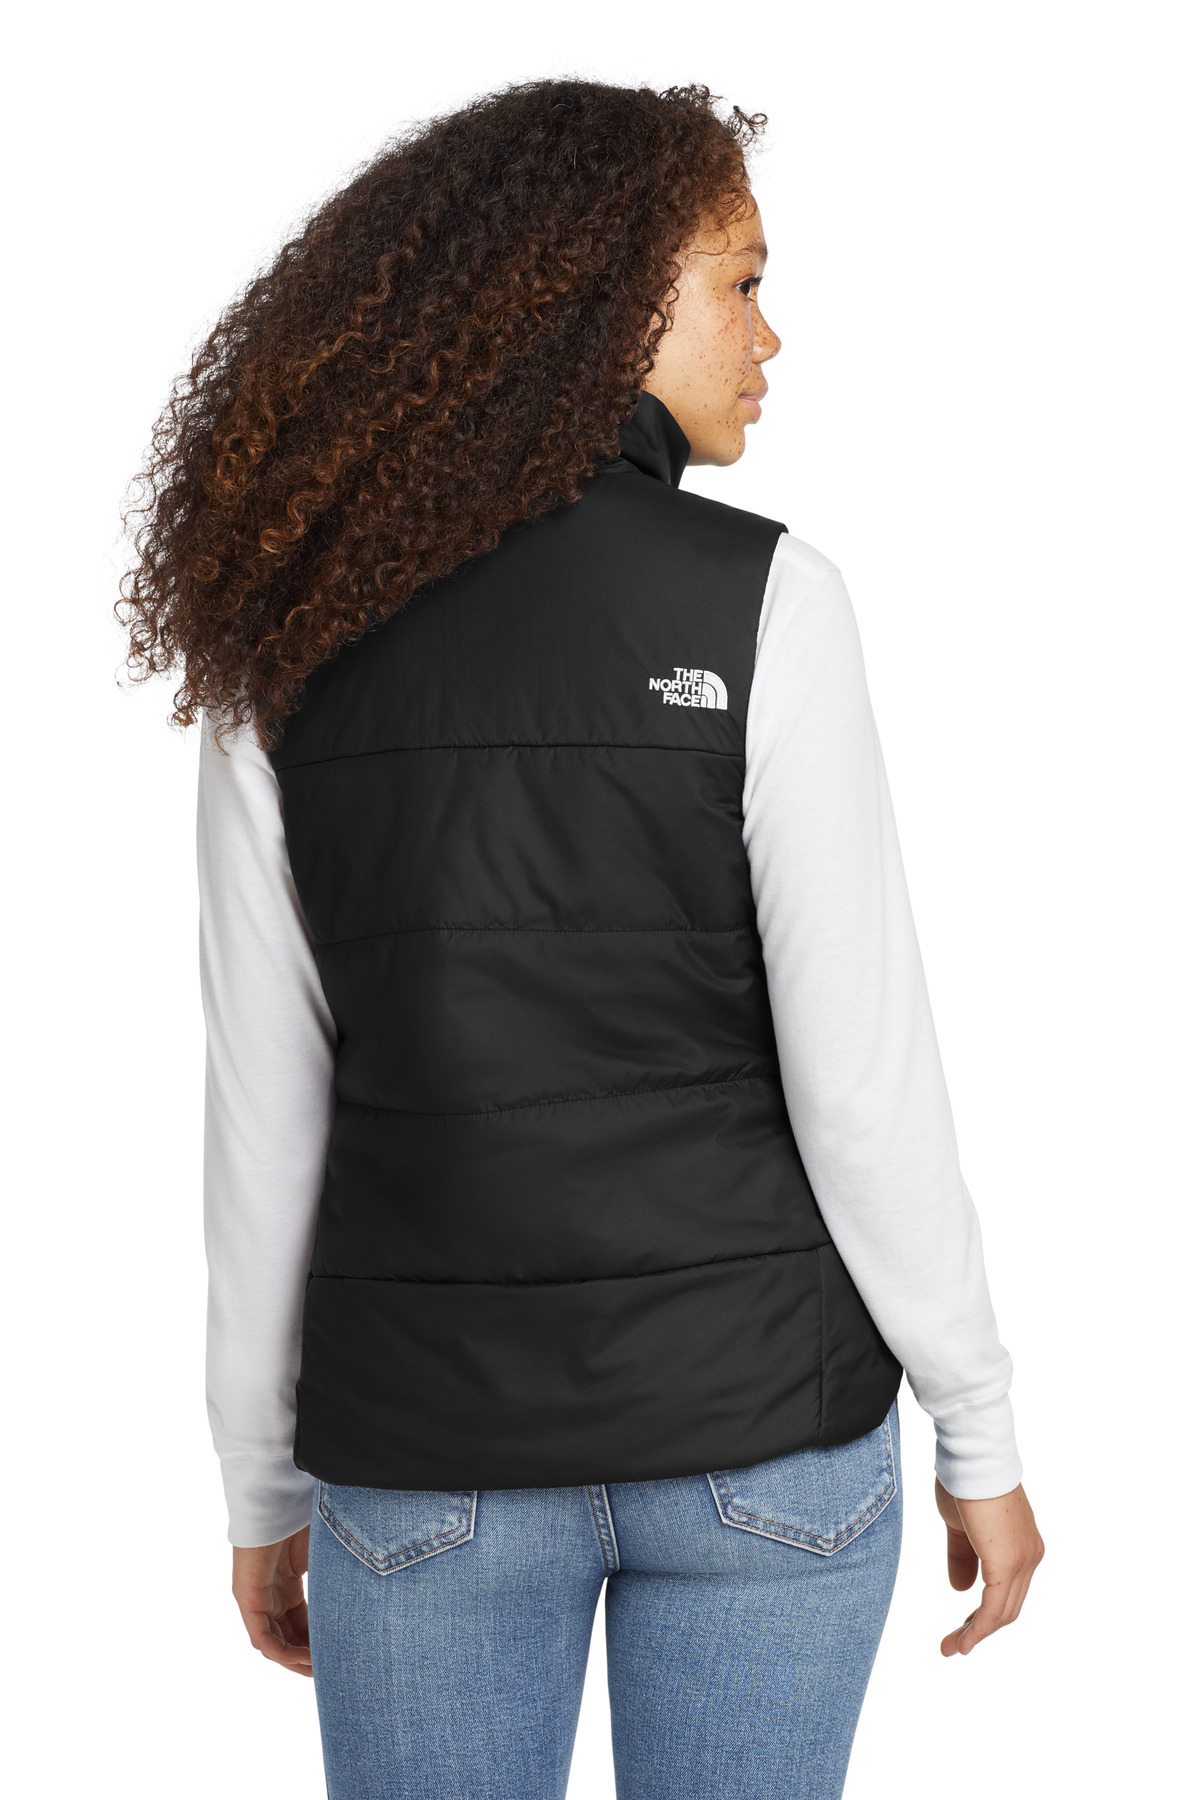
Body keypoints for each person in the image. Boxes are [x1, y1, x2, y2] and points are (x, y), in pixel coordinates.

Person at [120, 77, 1043, 1800]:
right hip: (763, 1441)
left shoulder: (283, 641)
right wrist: (976, 1423)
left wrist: (260, 1477)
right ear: (611, 298)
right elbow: (864, 1084)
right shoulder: (767, 601)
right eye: (741, 282)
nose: (771, 334)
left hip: (428, 1465)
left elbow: (264, 1122)